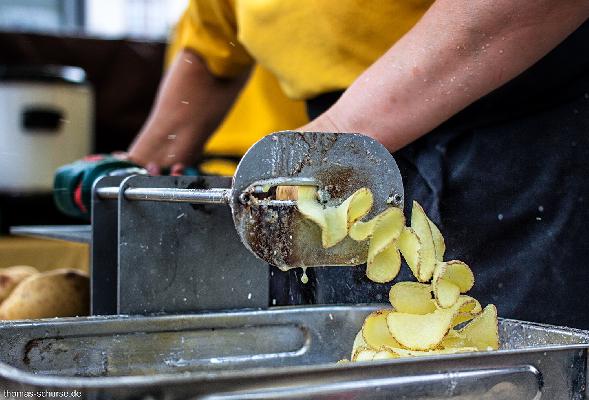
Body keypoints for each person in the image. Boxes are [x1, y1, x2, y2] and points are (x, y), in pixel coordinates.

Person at [127, 0, 589, 329]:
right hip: (341, 162)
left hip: (512, 130)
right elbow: (212, 49)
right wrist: (139, 165)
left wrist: (331, 140)